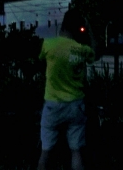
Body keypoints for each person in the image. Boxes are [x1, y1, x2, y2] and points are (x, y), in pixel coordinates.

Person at [38, 11, 94, 170]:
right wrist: (88, 30)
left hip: (52, 104)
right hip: (75, 105)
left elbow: (39, 59)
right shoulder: (81, 49)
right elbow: (94, 53)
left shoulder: (48, 44)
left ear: (62, 25)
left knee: (45, 152)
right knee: (76, 151)